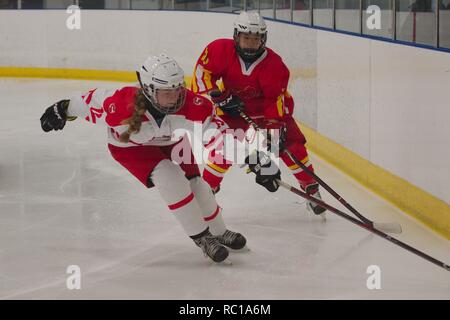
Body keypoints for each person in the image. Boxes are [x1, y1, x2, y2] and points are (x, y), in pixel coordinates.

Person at [39, 54, 274, 263]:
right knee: (169, 176)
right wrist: (63, 109)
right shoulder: (122, 106)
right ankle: (203, 238)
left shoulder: (194, 105)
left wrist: (252, 159)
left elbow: (219, 137)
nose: (174, 98)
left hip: (171, 141)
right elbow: (91, 101)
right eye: (166, 92)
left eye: (177, 89)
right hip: (131, 148)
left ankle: (219, 231)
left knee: (198, 185)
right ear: (149, 90)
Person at [191, 11, 326, 216]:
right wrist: (217, 96)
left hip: (267, 111)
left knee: (291, 145)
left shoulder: (275, 65)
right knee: (225, 147)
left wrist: (274, 130)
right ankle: (208, 191)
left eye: (256, 39)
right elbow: (204, 74)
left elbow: (275, 101)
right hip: (232, 110)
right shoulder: (219, 49)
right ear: (236, 36)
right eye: (246, 38)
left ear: (263, 39)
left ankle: (311, 189)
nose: (251, 44)